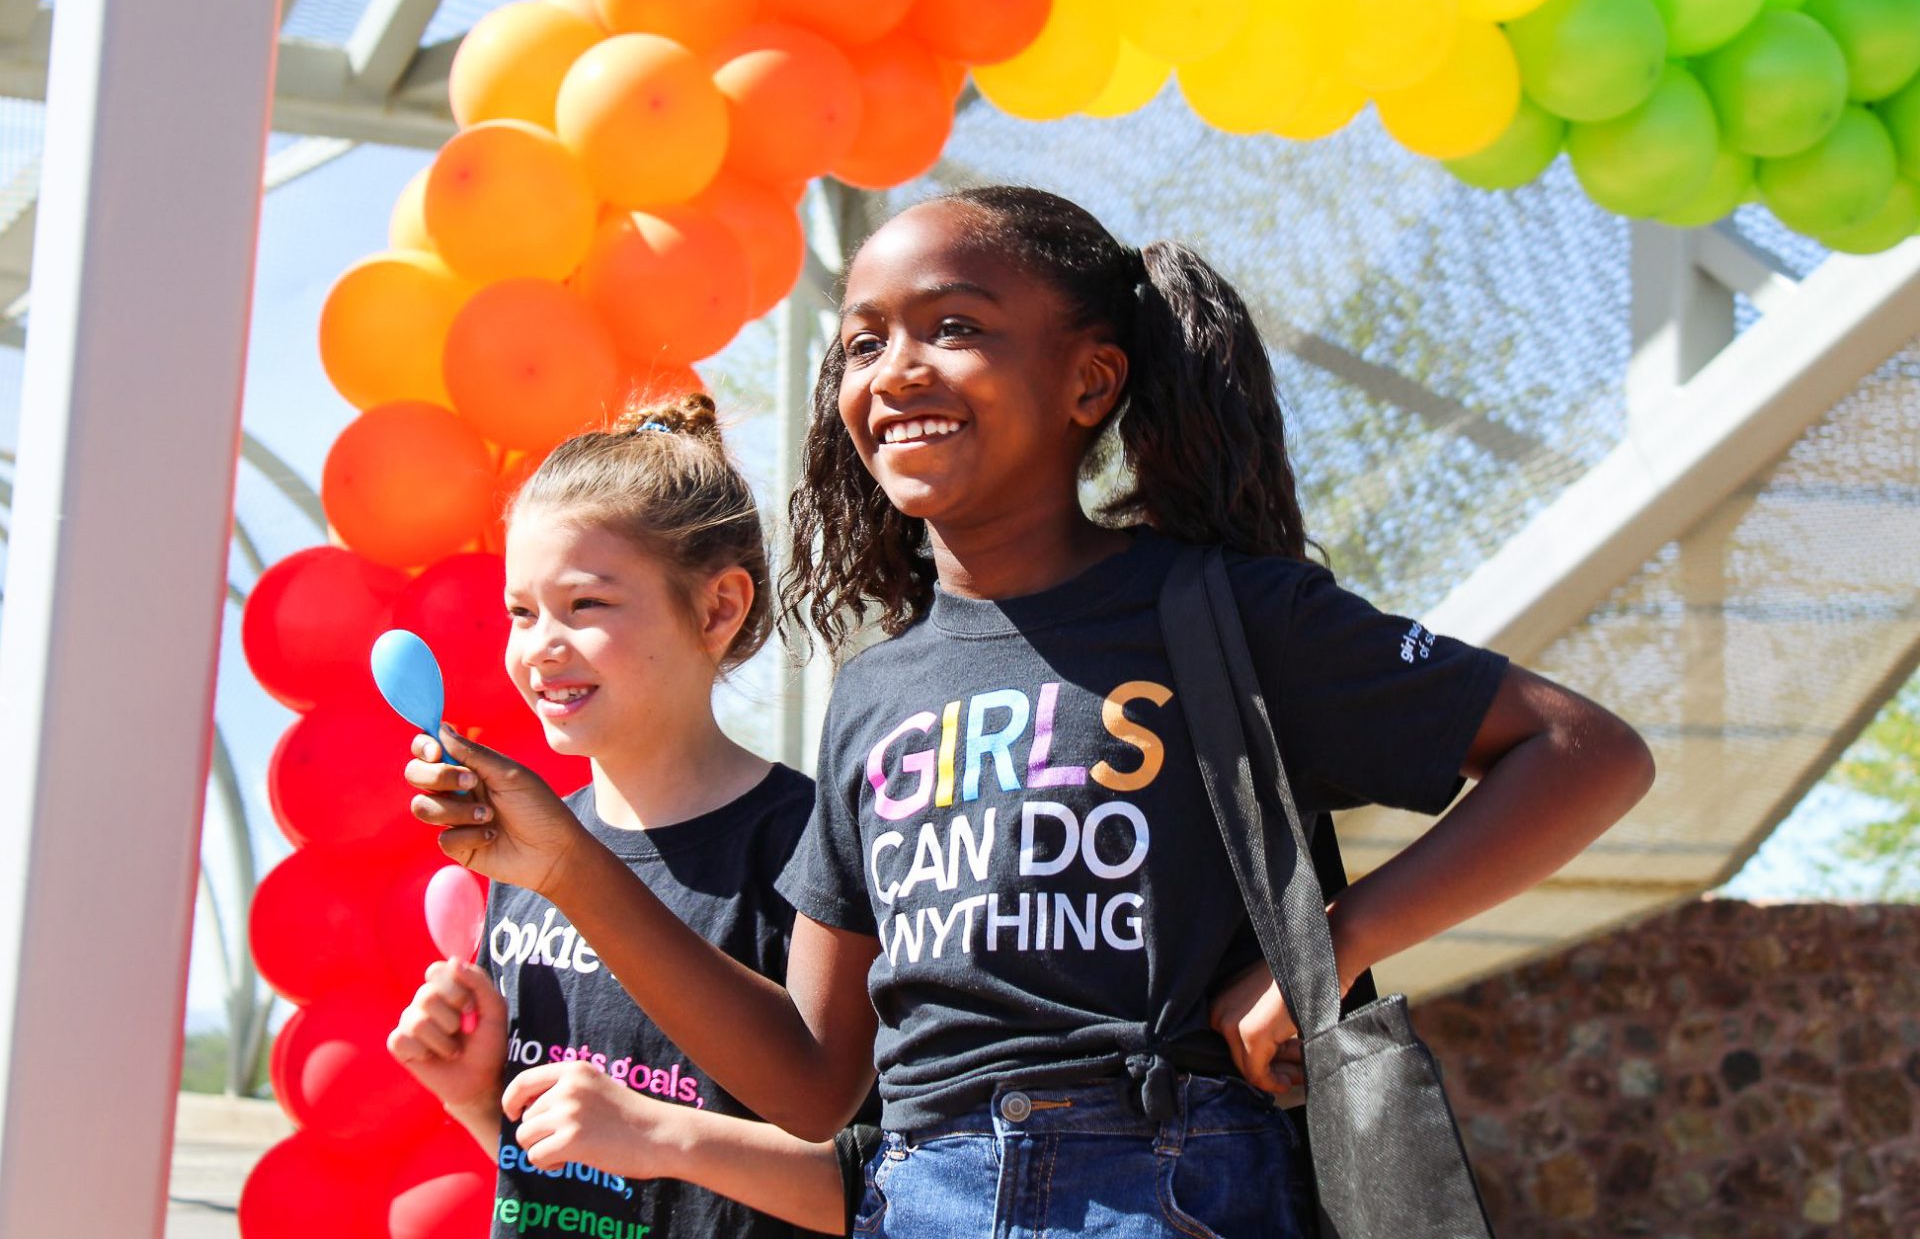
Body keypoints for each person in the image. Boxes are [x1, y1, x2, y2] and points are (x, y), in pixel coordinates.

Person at [407, 186, 1656, 1237]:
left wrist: (1325, 949)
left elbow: (1584, 751)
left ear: (1090, 378)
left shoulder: (1221, 608)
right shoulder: (874, 688)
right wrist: (564, 862)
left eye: (954, 326)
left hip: (1172, 1186)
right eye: (861, 341)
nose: (894, 369)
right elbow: (807, 1080)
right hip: (919, 1196)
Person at [386, 394, 873, 1239]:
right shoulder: (533, 857)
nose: (539, 646)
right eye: (520, 611)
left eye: (585, 605)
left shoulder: (812, 847)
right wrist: (477, 1098)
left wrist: (662, 1134)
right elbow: (568, 1171)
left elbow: (884, 1186)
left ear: (719, 609)